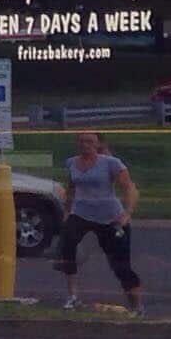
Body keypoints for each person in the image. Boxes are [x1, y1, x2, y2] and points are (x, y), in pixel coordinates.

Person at [57, 129, 143, 313]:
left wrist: (127, 213)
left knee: (120, 264)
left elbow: (130, 188)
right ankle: (73, 296)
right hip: (81, 213)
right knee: (67, 244)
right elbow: (71, 189)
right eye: (81, 141)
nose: (85, 145)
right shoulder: (72, 163)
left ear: (98, 144)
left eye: (89, 141)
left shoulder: (111, 163)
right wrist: (66, 211)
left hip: (109, 216)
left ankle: (136, 305)